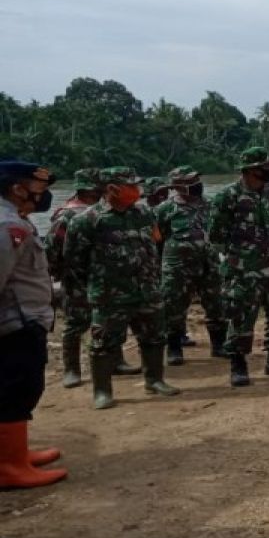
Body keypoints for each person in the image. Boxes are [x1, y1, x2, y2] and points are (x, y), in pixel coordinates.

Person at [65, 167, 180, 408]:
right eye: (130, 186)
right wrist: (96, 287)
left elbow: (156, 243)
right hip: (109, 294)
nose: (137, 190)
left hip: (147, 290)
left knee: (154, 337)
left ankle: (155, 380)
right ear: (112, 189)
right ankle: (102, 392)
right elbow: (75, 262)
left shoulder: (144, 213)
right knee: (103, 343)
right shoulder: (87, 221)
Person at [0, 160, 68, 487]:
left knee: (22, 390)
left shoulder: (16, 220)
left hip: (23, 320)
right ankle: (9, 467)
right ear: (17, 188)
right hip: (15, 324)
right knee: (15, 391)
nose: (42, 195)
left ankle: (16, 454)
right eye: (37, 188)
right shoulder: (6, 225)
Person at [208, 147, 269, 387]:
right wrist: (235, 259)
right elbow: (215, 235)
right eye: (265, 167)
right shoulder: (227, 196)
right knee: (241, 317)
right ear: (250, 170)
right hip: (243, 268)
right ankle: (238, 365)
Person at [156, 166, 224, 365]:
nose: (197, 186)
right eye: (191, 183)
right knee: (173, 307)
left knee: (216, 304)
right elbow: (157, 238)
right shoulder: (165, 209)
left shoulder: (209, 205)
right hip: (177, 267)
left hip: (209, 264)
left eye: (197, 181)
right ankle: (174, 349)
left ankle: (219, 345)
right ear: (179, 187)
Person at [44, 168, 103, 387]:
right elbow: (52, 248)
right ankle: (71, 369)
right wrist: (56, 273)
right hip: (76, 276)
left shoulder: (101, 211)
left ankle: (115, 361)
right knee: (76, 323)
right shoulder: (67, 215)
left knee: (108, 320)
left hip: (102, 275)